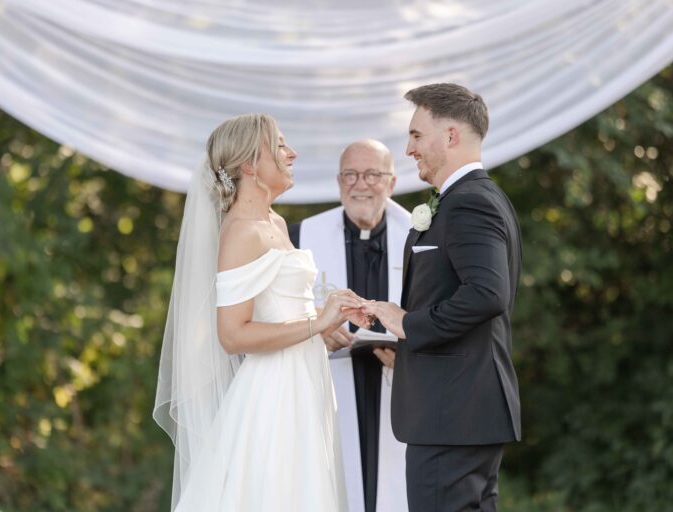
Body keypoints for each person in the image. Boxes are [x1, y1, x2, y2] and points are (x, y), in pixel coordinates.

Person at [153, 113, 362, 511]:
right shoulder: (241, 231)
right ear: (249, 164)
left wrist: (327, 319)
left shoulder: (275, 221)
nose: (292, 153)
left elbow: (274, 310)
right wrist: (315, 323)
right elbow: (232, 335)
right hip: (275, 388)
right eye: (280, 145)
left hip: (305, 377)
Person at [363, 83, 522, 512]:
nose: (409, 148)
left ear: (450, 136)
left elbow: (488, 294)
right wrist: (407, 347)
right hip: (460, 411)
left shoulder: (470, 203)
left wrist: (407, 324)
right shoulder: (469, 199)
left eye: (416, 135)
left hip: (454, 414)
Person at [289, 140, 411, 512]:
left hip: (399, 386)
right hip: (328, 386)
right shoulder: (299, 239)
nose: (361, 184)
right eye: (351, 175)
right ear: (339, 182)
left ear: (390, 183)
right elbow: (273, 316)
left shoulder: (421, 238)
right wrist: (315, 329)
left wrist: (412, 353)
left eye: (373, 174)